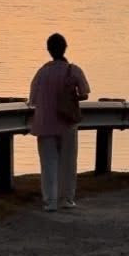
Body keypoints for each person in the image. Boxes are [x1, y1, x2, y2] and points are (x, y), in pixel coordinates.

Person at [29, 33, 90, 212]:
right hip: (67, 123)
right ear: (65, 48)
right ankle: (66, 199)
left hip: (44, 123)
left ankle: (50, 201)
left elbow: (32, 100)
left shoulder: (41, 72)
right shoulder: (74, 70)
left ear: (49, 50)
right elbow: (85, 92)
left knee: (48, 163)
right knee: (68, 162)